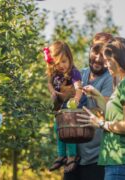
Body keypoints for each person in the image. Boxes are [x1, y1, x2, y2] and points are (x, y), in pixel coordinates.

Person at [77, 37, 125, 179]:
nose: (105, 65)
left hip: (123, 160)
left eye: (108, 61)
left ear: (119, 59)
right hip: (122, 162)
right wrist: (97, 96)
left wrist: (100, 123)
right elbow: (116, 115)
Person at [64, 32, 114, 180]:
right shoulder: (80, 74)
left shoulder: (110, 79)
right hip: (74, 155)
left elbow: (103, 111)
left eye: (104, 54)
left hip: (96, 157)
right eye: (95, 51)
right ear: (90, 49)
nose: (98, 59)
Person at [44, 41, 83, 173]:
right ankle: (61, 155)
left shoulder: (74, 72)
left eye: (64, 61)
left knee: (69, 130)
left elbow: (79, 88)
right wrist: (53, 92)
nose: (61, 65)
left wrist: (76, 99)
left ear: (70, 59)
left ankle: (72, 155)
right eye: (58, 62)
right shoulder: (55, 73)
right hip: (60, 106)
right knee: (58, 129)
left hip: (70, 106)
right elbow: (49, 84)